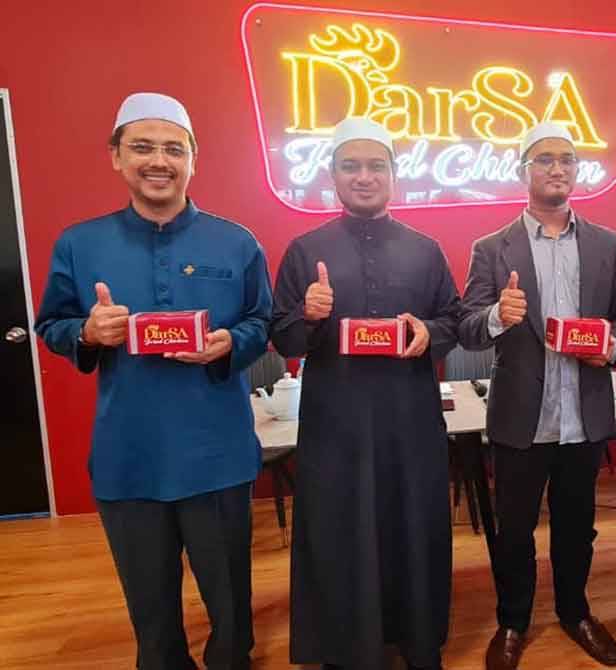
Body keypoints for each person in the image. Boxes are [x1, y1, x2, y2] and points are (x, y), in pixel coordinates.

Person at [35, 92, 272, 670]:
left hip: (217, 451)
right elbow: (51, 324)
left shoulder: (235, 241)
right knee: (150, 605)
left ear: (194, 159)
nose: (158, 161)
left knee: (232, 603)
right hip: (129, 454)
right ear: (116, 156)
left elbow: (260, 322)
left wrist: (229, 343)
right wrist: (88, 332)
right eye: (142, 147)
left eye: (173, 148)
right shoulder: (80, 242)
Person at [270, 117, 461, 670]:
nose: (363, 176)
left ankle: (417, 640)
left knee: (413, 524)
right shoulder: (305, 250)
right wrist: (307, 315)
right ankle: (348, 649)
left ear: (395, 176)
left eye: (376, 165)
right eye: (350, 166)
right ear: (331, 176)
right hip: (338, 423)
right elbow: (281, 336)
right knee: (341, 531)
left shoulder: (425, 250)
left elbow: (451, 318)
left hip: (411, 420)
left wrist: (430, 332)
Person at [459, 122, 616, 670]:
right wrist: (496, 316)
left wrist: (611, 345)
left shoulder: (606, 243)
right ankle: (513, 622)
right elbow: (466, 326)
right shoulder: (491, 248)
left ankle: (574, 611)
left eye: (566, 159)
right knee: (514, 529)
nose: (557, 168)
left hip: (582, 413)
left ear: (577, 170)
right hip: (522, 415)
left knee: (576, 525)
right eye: (544, 160)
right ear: (524, 172)